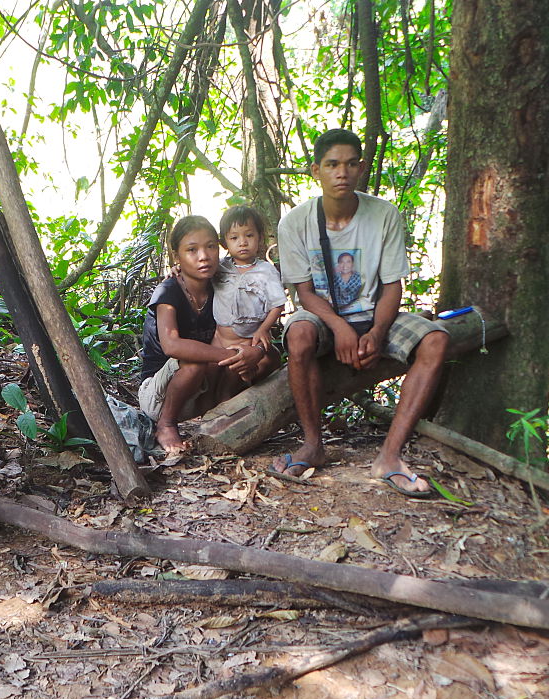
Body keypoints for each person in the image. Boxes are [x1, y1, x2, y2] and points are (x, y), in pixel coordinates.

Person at [274, 128, 449, 497]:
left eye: (351, 164)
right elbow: (304, 292)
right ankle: (312, 443)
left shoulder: (383, 215)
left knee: (435, 340)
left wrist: (376, 332)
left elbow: (391, 286)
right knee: (298, 335)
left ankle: (389, 455)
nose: (342, 173)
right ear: (315, 171)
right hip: (324, 317)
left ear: (361, 167)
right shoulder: (295, 223)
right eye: (332, 164)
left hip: (374, 312)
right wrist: (339, 327)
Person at [139, 215, 268, 453]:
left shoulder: (222, 284)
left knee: (267, 357)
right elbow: (172, 346)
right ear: (176, 257)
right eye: (191, 250)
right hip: (160, 395)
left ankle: (222, 411)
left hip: (201, 391)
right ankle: (166, 425)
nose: (203, 256)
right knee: (194, 362)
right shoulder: (168, 292)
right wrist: (229, 354)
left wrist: (253, 352)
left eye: (210, 246)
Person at [210, 205, 285, 381]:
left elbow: (278, 304)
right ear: (225, 242)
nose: (242, 242)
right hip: (219, 339)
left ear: (259, 237)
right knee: (214, 375)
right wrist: (177, 269)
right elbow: (197, 273)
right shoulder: (220, 267)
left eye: (249, 235)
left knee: (243, 377)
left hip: (250, 339)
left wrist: (263, 329)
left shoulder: (265, 271)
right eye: (234, 237)